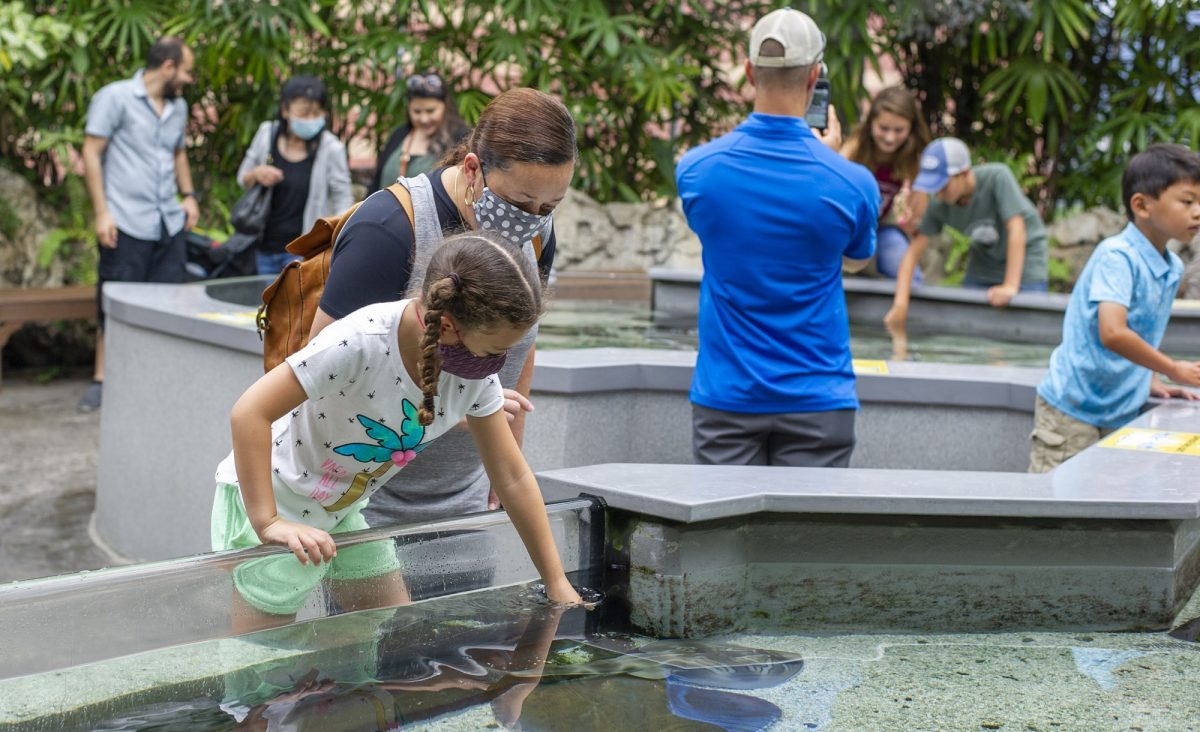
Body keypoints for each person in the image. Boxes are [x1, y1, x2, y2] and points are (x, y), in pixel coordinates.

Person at [212, 230, 584, 632]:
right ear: (447, 329)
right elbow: (249, 412)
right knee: (260, 662)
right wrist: (268, 523)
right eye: (494, 351)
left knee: (391, 630)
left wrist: (556, 581)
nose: (500, 364)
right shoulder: (360, 343)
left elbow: (512, 477)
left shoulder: (471, 376)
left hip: (339, 509)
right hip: (273, 498)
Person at [310, 87, 576, 529]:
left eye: (550, 205)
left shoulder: (536, 232)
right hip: (366, 500)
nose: (532, 217)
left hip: (468, 498)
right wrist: (457, 413)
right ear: (472, 169)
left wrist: (509, 459)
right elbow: (320, 374)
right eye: (519, 203)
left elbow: (523, 341)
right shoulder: (390, 229)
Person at [674, 8, 880, 468]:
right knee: (807, 540)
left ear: (749, 72)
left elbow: (718, 233)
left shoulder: (697, 171)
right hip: (819, 398)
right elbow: (855, 260)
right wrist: (827, 161)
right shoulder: (852, 182)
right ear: (816, 76)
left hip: (726, 396)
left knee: (724, 540)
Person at [1029, 144, 1200, 472]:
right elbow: (1113, 332)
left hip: (1119, 407)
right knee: (1057, 509)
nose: (1197, 211)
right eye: (1187, 201)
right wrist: (1172, 368)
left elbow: (1144, 328)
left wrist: (1146, 377)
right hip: (1072, 409)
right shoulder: (1117, 256)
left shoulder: (1172, 267)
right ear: (1142, 205)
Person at [79, 36, 198, 412]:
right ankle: (102, 378)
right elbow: (91, 153)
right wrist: (102, 212)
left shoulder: (177, 108)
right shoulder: (114, 98)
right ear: (167, 66)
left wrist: (189, 195)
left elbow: (178, 152)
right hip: (125, 220)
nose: (189, 79)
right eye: (186, 70)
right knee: (114, 300)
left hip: (167, 220)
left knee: (167, 300)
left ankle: (156, 379)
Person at [883, 137, 1050, 330]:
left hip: (1026, 263)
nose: (938, 194)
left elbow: (1017, 229)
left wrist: (1010, 286)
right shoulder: (939, 204)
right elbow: (912, 254)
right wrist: (900, 305)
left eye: (943, 186)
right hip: (983, 263)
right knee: (969, 329)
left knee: (1029, 329)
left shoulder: (997, 177)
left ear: (964, 173)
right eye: (933, 188)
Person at [236, 75, 353, 276]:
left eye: (316, 113)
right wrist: (257, 173)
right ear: (285, 110)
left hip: (304, 252)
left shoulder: (331, 148)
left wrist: (334, 242)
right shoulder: (267, 134)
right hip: (263, 245)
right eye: (303, 113)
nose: (310, 119)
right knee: (264, 304)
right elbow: (242, 178)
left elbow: (343, 200)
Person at [841, 85, 932, 280]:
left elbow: (919, 215)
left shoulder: (915, 157)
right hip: (847, 227)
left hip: (882, 228)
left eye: (899, 130)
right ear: (871, 123)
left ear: (911, 128)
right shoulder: (855, 147)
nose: (890, 137)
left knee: (910, 277)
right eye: (883, 128)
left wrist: (911, 218)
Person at [370, 70, 471, 193]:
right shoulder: (399, 135)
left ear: (445, 107)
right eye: (417, 112)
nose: (424, 119)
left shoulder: (461, 139)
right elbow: (375, 184)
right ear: (408, 109)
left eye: (430, 111)